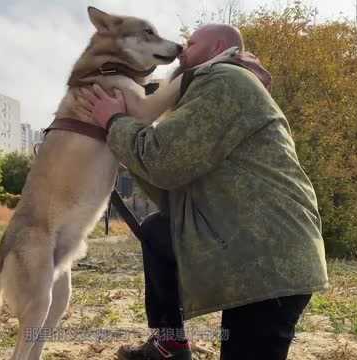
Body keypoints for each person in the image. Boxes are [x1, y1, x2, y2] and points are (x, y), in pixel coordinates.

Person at [78, 24, 329, 360]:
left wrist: (114, 122)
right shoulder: (206, 91)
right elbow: (172, 187)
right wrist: (125, 140)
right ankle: (171, 342)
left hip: (268, 257)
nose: (182, 50)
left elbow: (164, 160)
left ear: (219, 47)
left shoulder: (225, 79)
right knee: (158, 231)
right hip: (247, 247)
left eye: (191, 43)